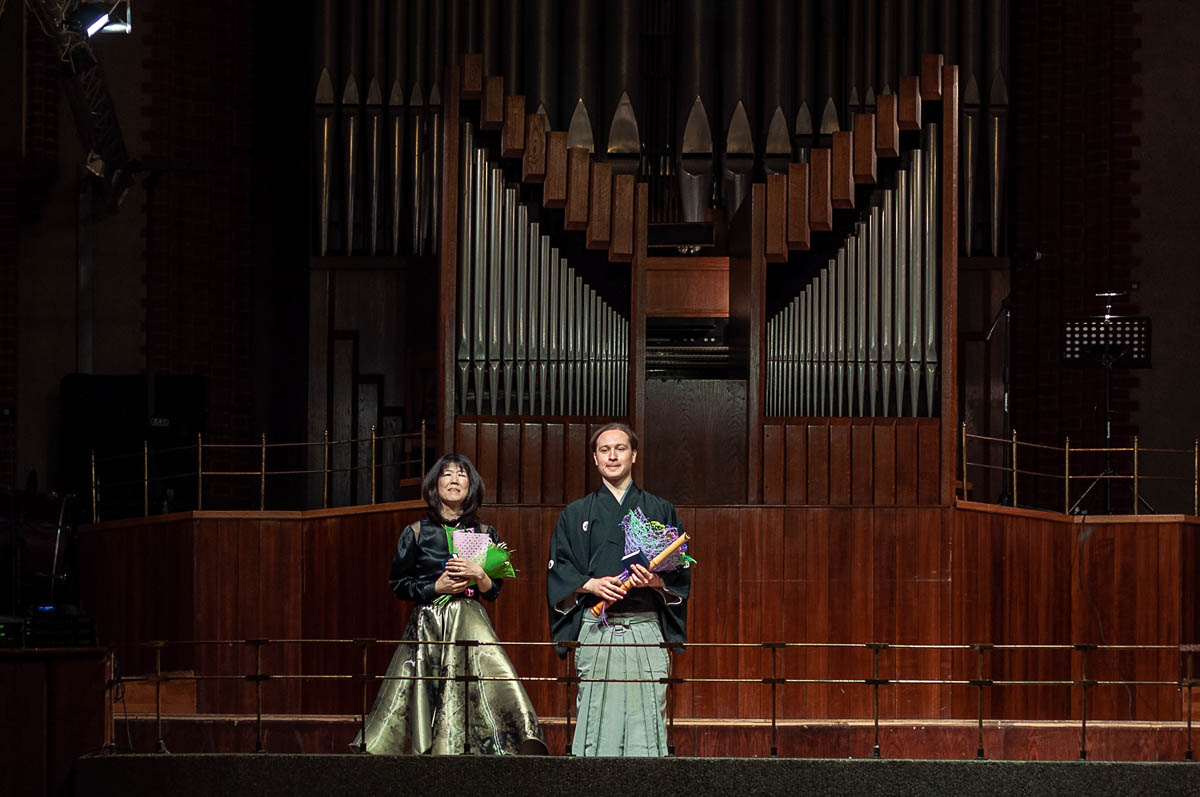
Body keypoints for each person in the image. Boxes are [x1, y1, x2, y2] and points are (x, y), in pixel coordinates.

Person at [354, 453, 546, 755]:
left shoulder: (484, 532)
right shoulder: (416, 532)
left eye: (461, 474)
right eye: (447, 474)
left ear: (471, 486)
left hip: (469, 620)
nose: (454, 480)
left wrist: (479, 574)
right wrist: (436, 587)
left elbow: (493, 592)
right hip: (427, 624)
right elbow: (399, 585)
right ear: (434, 485)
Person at [546, 422, 690, 756]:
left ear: (634, 455)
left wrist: (655, 581)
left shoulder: (659, 509)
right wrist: (589, 584)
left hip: (645, 627)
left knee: (647, 719)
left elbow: (680, 574)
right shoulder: (576, 513)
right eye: (604, 450)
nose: (612, 456)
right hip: (597, 625)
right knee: (596, 719)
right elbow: (559, 567)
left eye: (620, 449)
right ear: (595, 459)